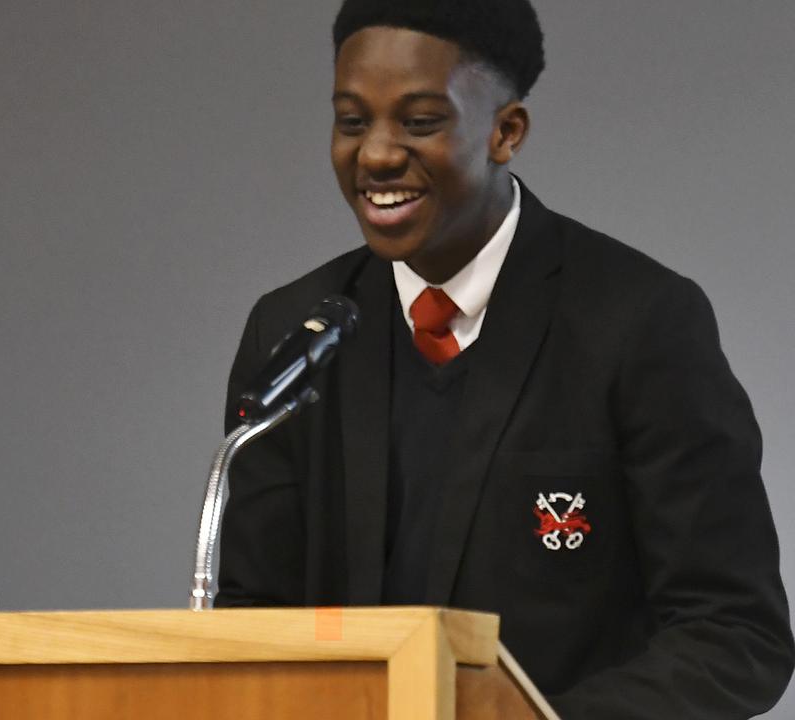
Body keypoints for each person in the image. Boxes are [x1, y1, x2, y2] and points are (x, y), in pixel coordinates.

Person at [216, 1, 794, 717]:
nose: (377, 155)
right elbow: (250, 615)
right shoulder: (294, 334)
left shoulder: (639, 322)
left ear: (504, 131)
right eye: (352, 121)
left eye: (421, 121)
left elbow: (735, 635)